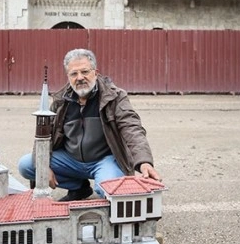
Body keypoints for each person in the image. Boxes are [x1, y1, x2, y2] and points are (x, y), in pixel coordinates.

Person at [18, 48, 161, 201]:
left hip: (104, 159)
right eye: (74, 74)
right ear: (68, 76)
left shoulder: (115, 97)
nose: (80, 78)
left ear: (95, 72)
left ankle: (102, 182)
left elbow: (131, 128)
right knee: (27, 165)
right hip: (70, 160)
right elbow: (43, 135)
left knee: (106, 190)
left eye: (85, 72)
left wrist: (143, 162)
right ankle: (79, 188)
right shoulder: (60, 101)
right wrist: (43, 167)